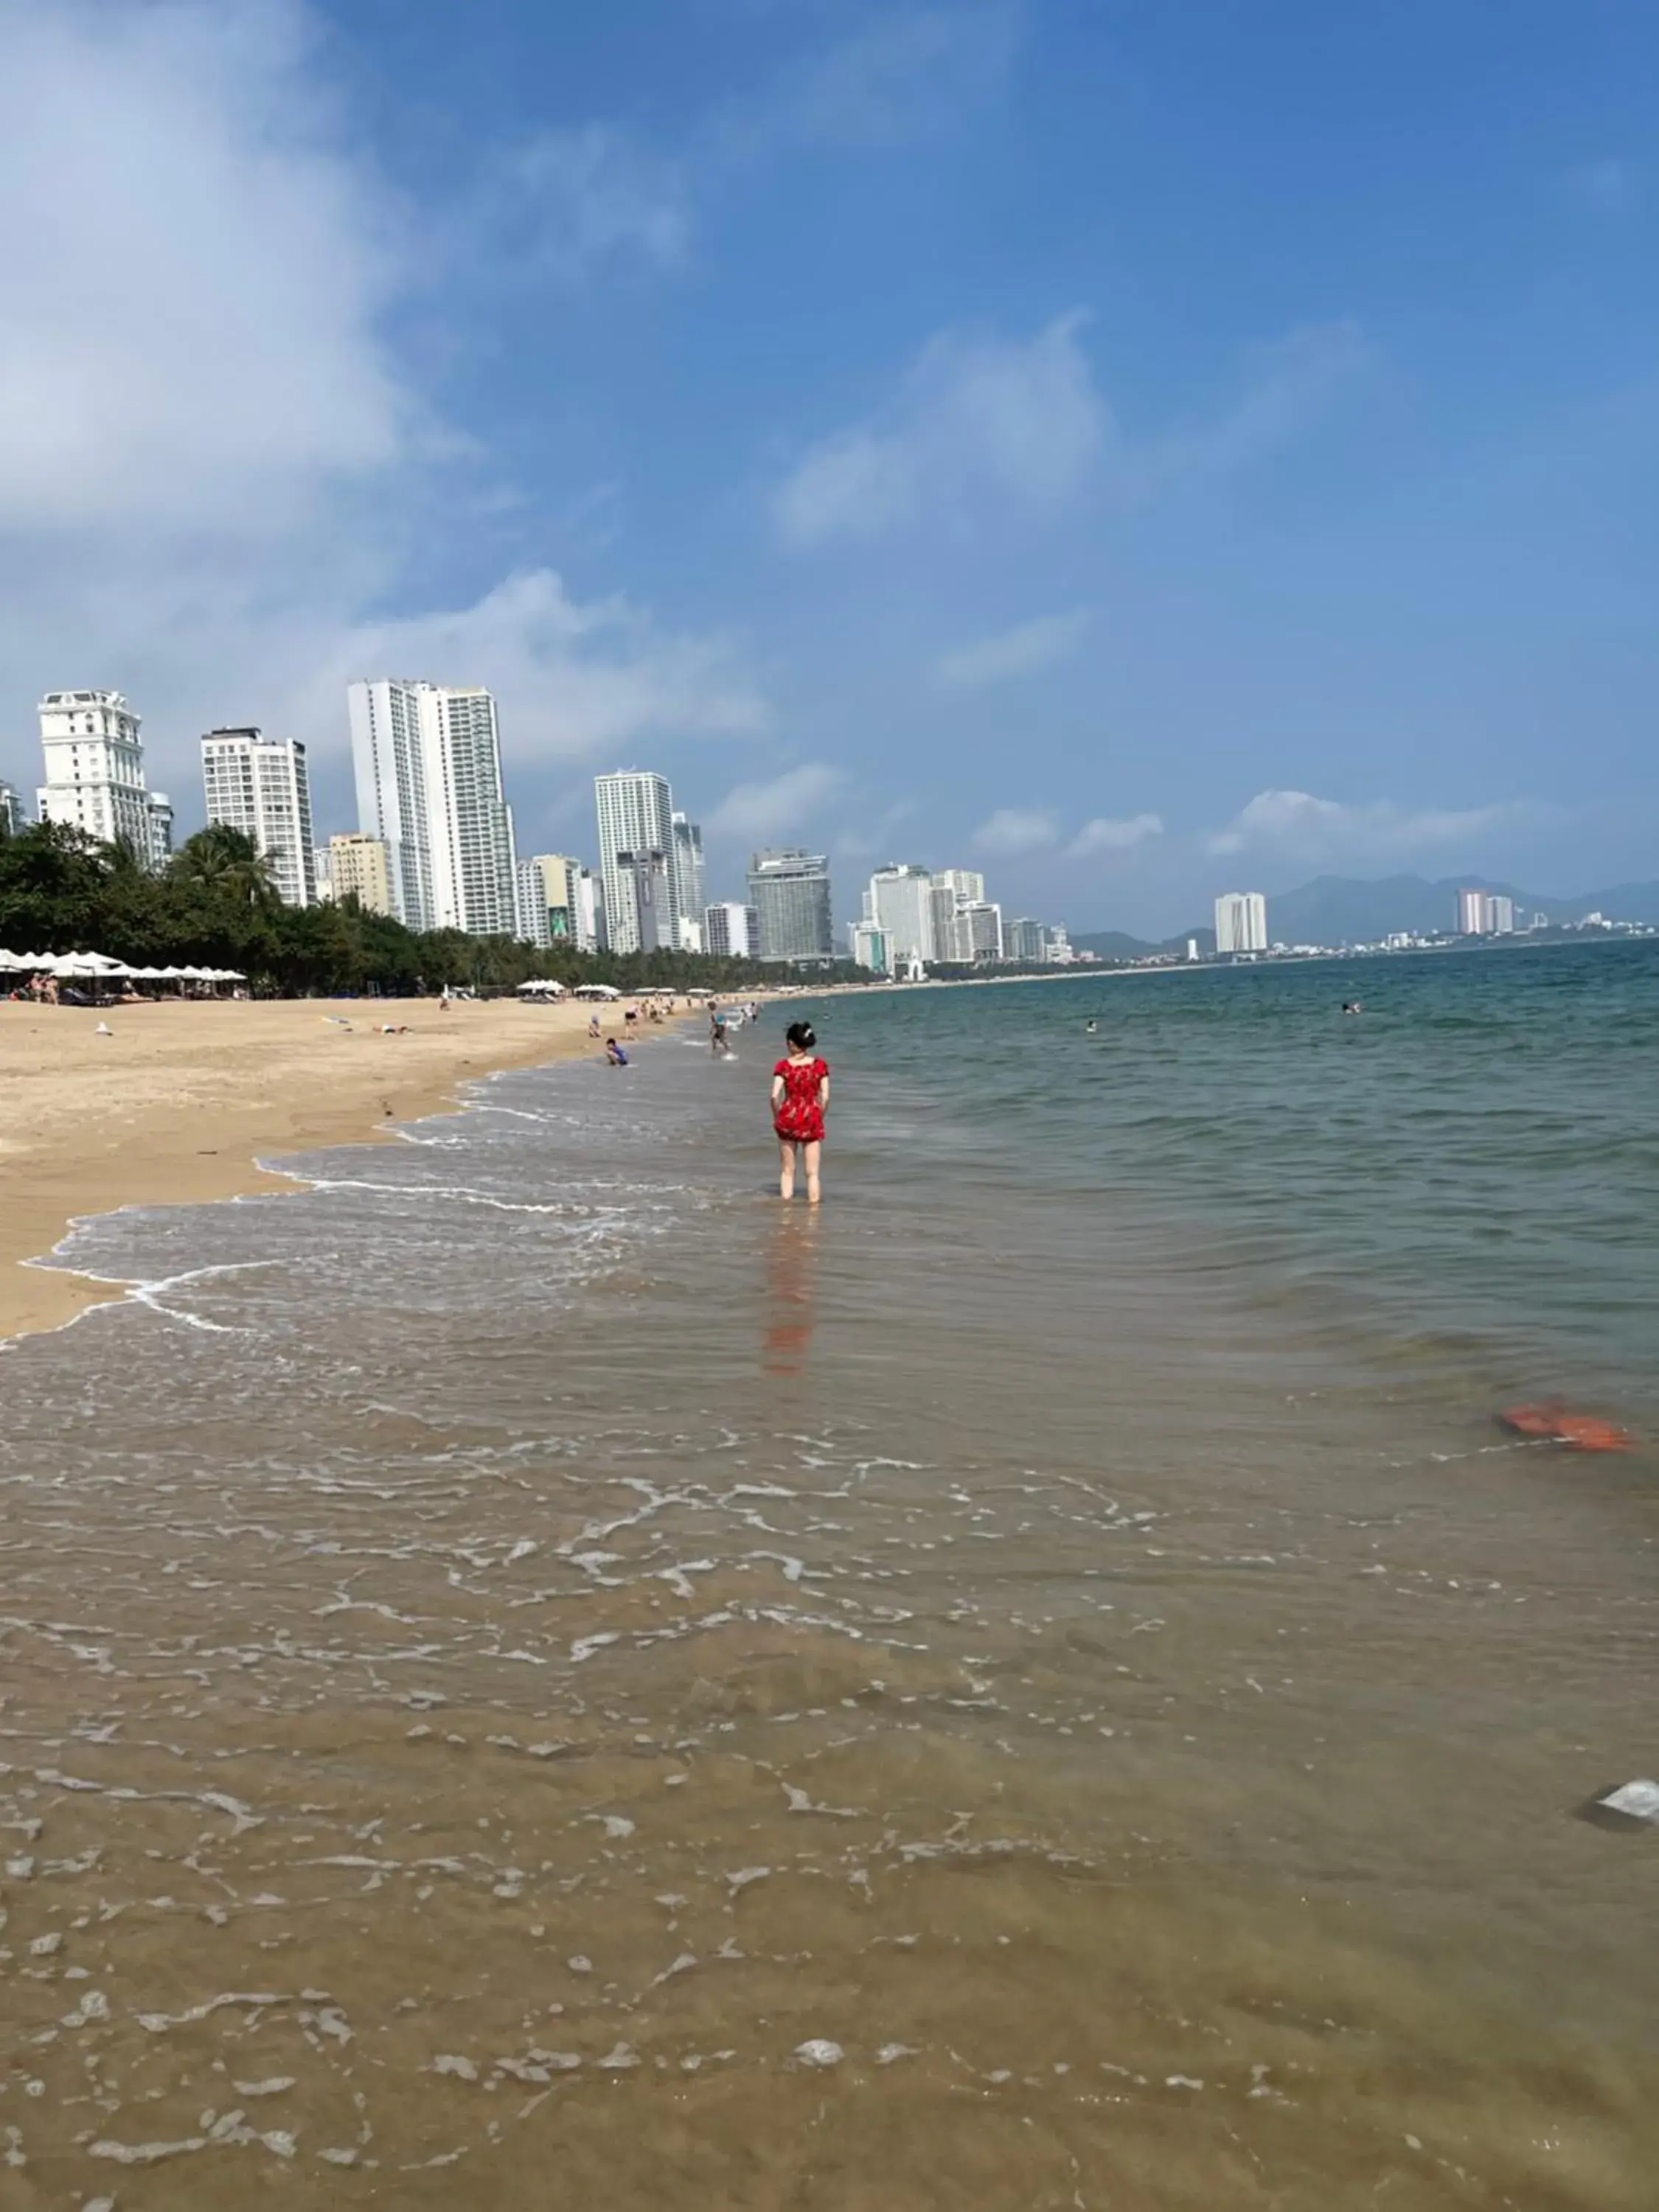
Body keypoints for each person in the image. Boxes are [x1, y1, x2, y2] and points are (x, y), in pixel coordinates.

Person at [771, 1020, 829, 1204]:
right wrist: (820, 1116)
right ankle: (813, 1215)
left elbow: (774, 1096)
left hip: (788, 1117)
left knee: (787, 1171)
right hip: (811, 1116)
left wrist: (777, 1116)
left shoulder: (783, 1066)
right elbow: (826, 1097)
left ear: (791, 1043)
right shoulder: (820, 1065)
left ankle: (786, 1214)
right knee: (812, 1173)